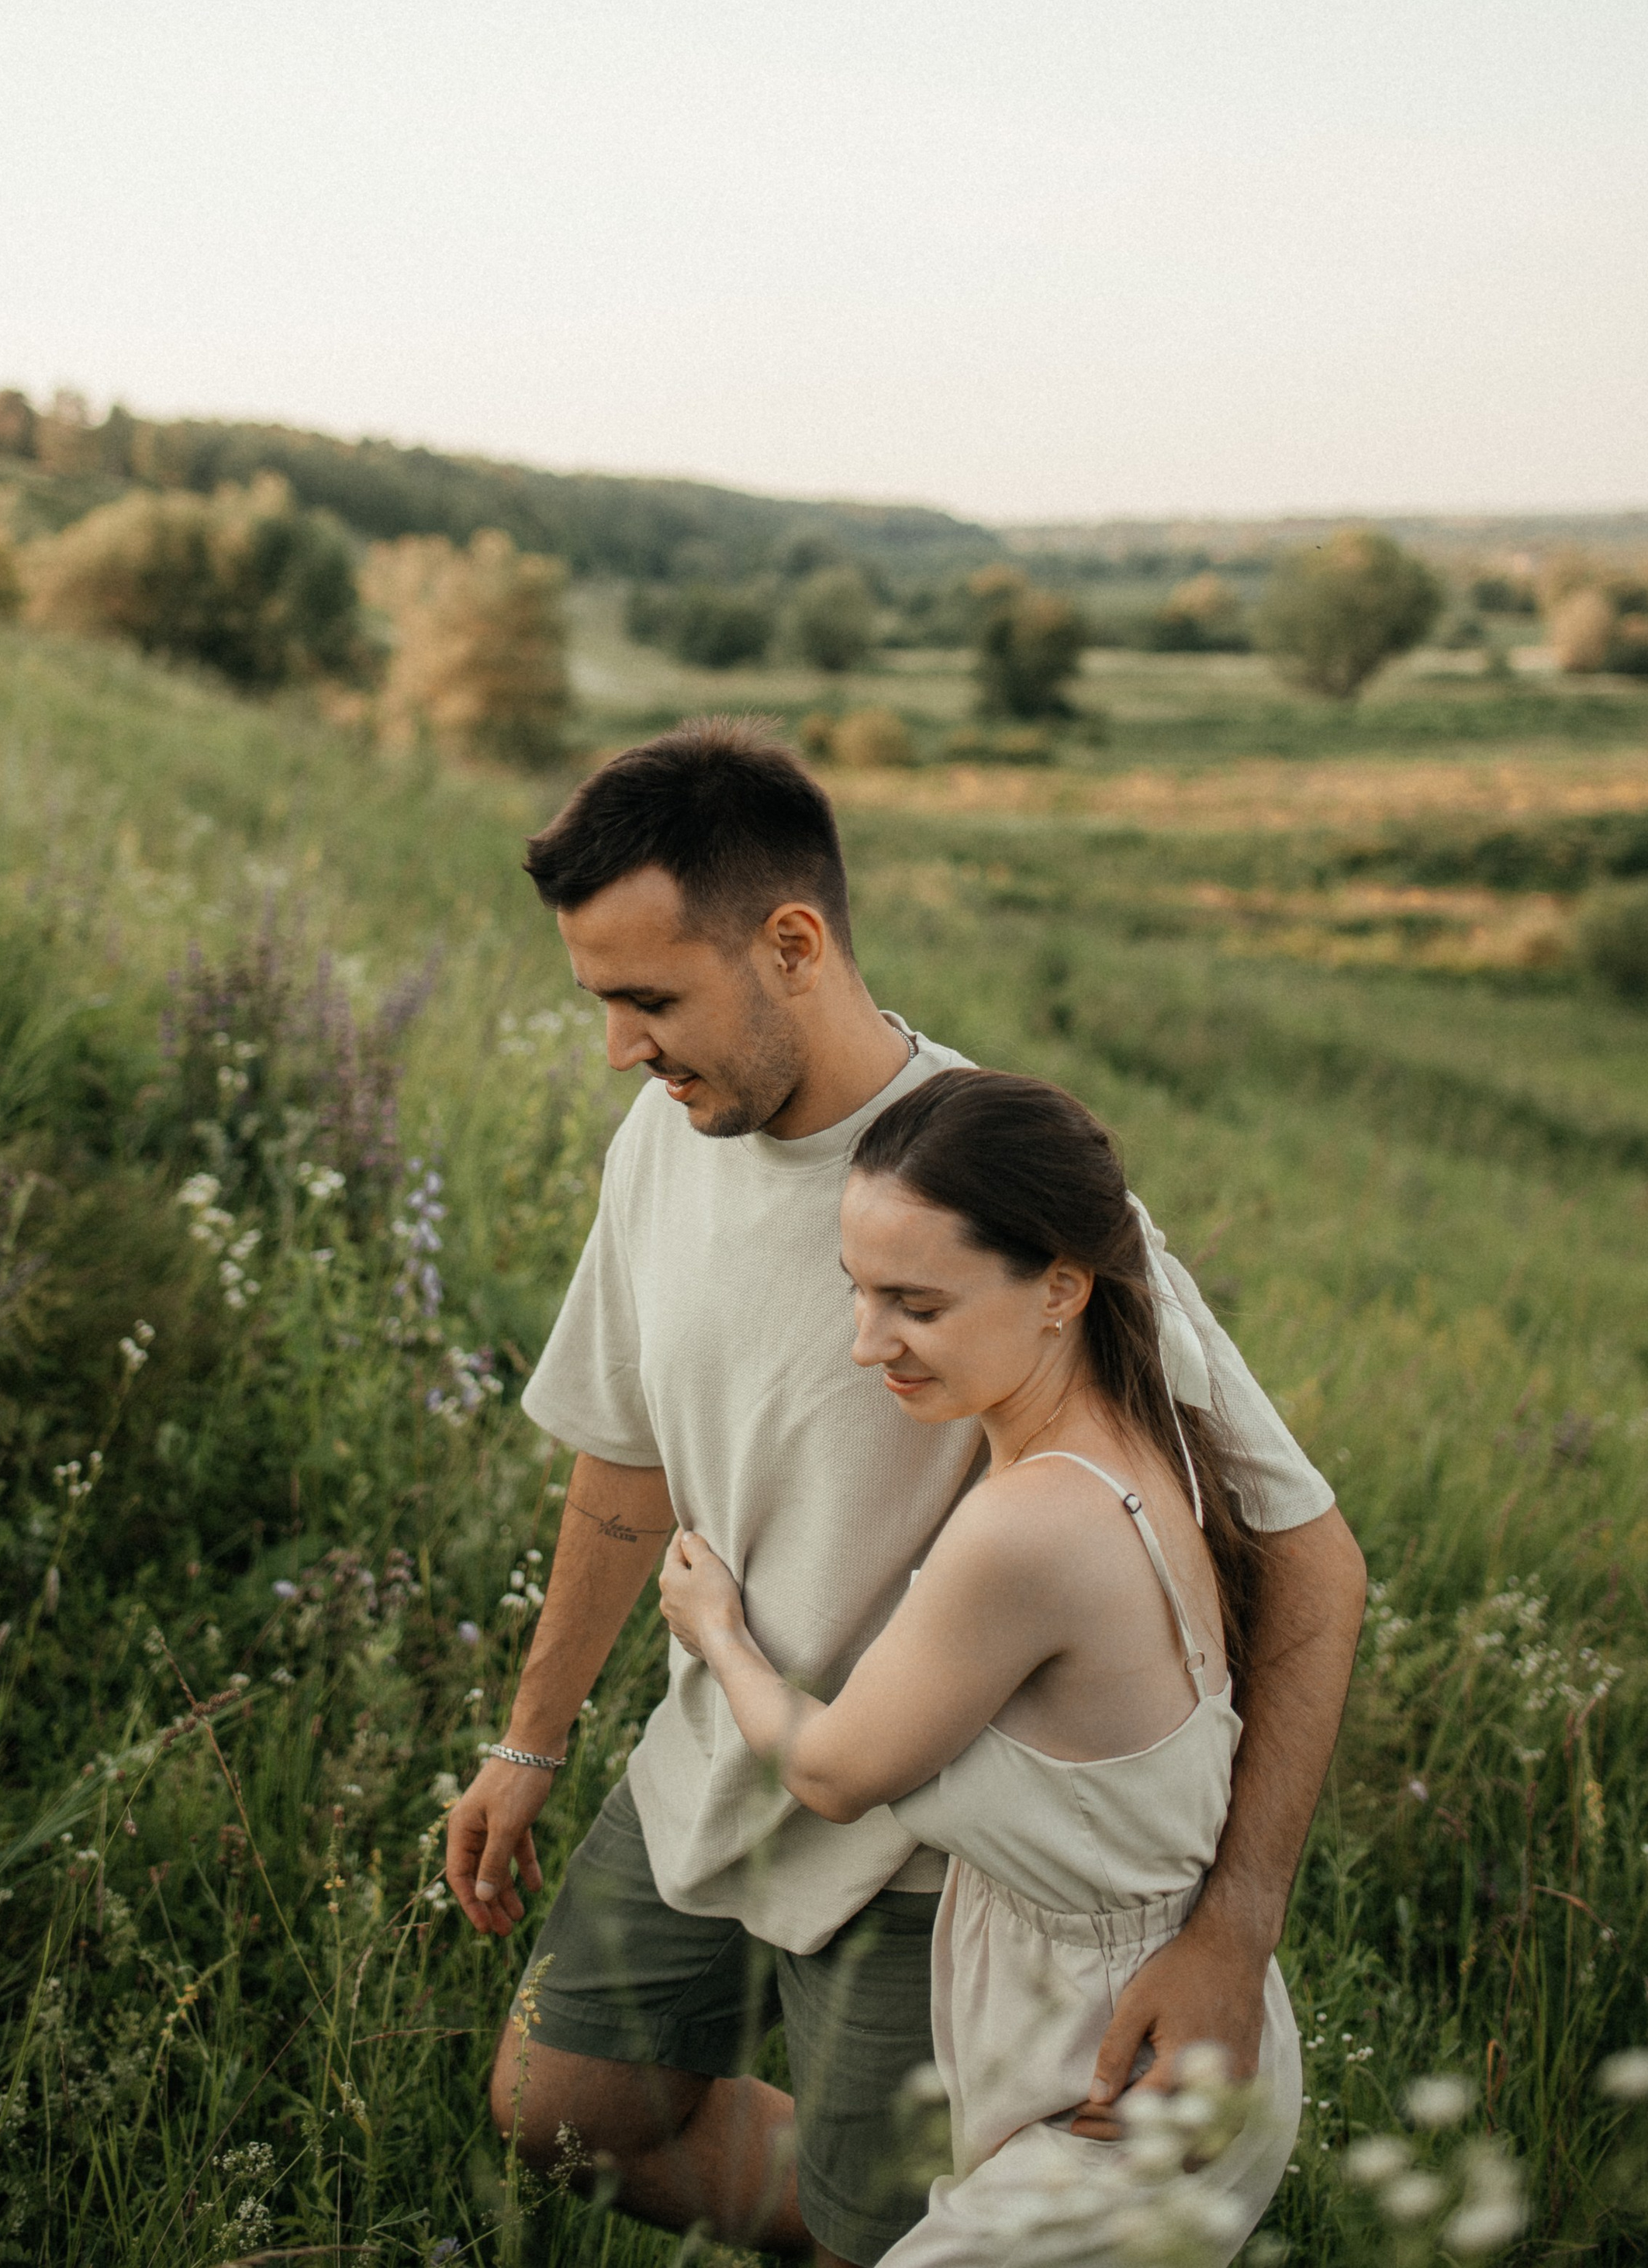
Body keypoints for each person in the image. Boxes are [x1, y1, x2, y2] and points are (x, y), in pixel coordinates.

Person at [445, 719, 1365, 2267]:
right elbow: (623, 1456)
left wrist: (1231, 1928)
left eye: (647, 999)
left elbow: (1310, 1558)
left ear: (789, 943)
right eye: (599, 999)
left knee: (898, 2232)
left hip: (927, 1863)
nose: (619, 1046)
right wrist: (529, 1736)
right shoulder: (657, 1147)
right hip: (712, 1754)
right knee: (557, 2107)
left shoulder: (996, 1193)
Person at [658, 1065, 1303, 2267]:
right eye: (856, 1292)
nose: (867, 1345)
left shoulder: (1030, 1529)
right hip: (1138, 2026)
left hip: (1116, 2083)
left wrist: (721, 1635)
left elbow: (837, 1774)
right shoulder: (1145, 1425)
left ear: (1062, 1284)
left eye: (917, 1304)